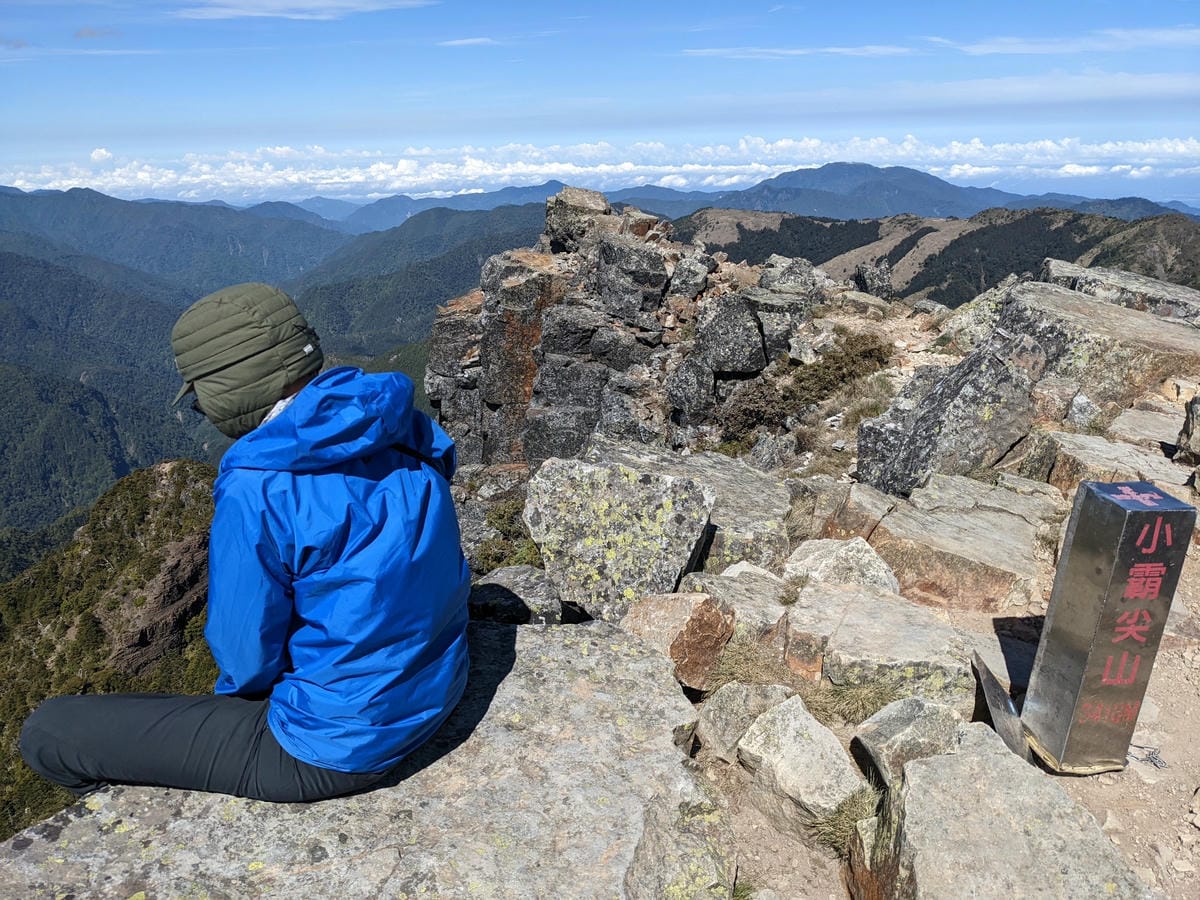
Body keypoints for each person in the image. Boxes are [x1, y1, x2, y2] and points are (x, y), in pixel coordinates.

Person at [20, 282, 470, 802]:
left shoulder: (258, 486)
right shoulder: (398, 421)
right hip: (440, 685)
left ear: (227, 390)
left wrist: (239, 709)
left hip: (338, 748)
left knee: (48, 732)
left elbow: (246, 654)